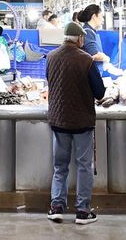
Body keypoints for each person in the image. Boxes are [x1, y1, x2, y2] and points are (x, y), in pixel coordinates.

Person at [45, 21, 105, 225]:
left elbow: (50, 82)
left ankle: (57, 207)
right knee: (84, 166)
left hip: (59, 120)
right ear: (80, 39)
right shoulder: (86, 60)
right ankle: (82, 210)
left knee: (60, 166)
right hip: (81, 121)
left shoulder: (51, 57)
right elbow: (100, 92)